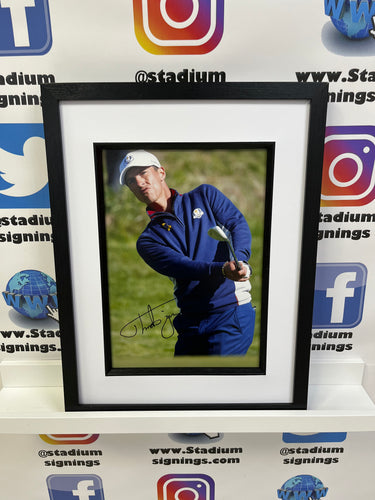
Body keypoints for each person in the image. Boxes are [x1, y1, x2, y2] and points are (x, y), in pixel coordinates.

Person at [119, 149, 256, 356]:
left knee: (219, 386)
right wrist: (221, 270)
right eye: (131, 180)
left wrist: (241, 259)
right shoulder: (148, 240)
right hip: (190, 324)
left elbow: (237, 224)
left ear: (161, 173)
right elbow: (183, 267)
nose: (139, 183)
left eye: (144, 173)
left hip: (230, 313)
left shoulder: (205, 196)